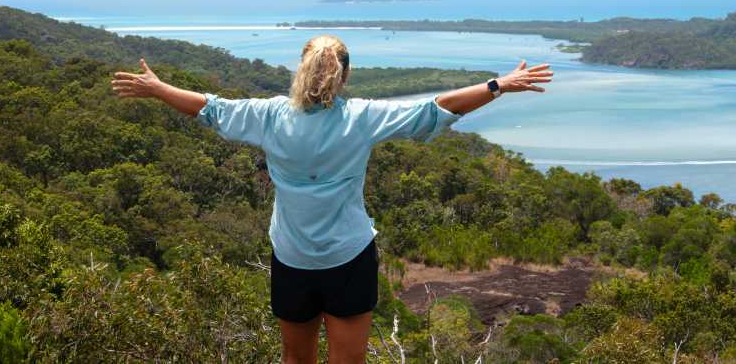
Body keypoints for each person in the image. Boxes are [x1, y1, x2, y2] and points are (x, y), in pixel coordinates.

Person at [110, 35, 552, 364]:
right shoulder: (360, 118)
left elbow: (210, 108)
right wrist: (497, 85)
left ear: (300, 70)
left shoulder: (267, 117)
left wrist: (158, 88)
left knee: (295, 360)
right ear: (345, 75)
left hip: (293, 258)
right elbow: (434, 109)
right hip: (348, 257)